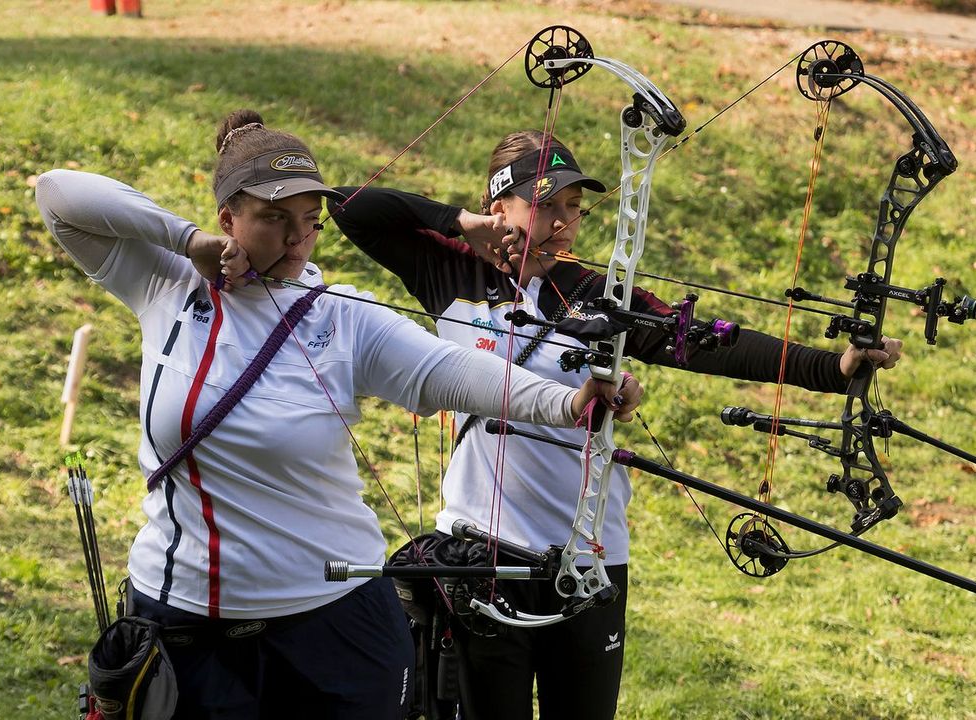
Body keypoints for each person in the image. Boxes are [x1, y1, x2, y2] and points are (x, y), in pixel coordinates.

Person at [35, 111, 642, 720]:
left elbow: (451, 372)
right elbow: (58, 193)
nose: (297, 239)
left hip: (335, 621)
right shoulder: (168, 286)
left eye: (309, 221)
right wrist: (188, 242)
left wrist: (568, 401)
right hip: (188, 620)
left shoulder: (341, 317)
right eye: (274, 218)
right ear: (228, 220)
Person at [329, 130, 905, 720]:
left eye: (573, 208)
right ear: (500, 206)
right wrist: (461, 223)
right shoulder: (449, 272)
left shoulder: (600, 294)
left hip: (587, 558)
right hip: (483, 553)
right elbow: (348, 206)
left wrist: (833, 367)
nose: (563, 222)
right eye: (545, 204)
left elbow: (706, 343)